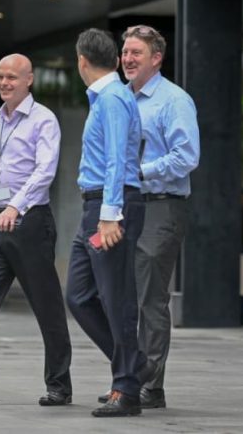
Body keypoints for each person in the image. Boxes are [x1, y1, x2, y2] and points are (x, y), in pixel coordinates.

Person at [65, 28, 148, 417]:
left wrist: (110, 215)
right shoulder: (109, 97)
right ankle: (131, 364)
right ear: (114, 60)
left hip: (109, 206)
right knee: (79, 295)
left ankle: (127, 387)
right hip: (95, 207)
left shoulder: (112, 98)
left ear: (82, 60)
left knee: (116, 299)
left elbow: (118, 159)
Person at [0, 53, 72, 406]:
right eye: (0, 76)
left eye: (12, 77)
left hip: (29, 223)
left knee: (47, 307)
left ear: (29, 80)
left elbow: (44, 172)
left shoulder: (43, 120)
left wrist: (14, 206)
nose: (5, 82)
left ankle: (59, 385)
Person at [120, 24, 200, 407]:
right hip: (122, 207)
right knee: (121, 296)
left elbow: (187, 157)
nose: (128, 59)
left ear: (156, 58)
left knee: (150, 298)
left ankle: (147, 385)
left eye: (136, 52)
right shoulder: (120, 98)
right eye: (125, 52)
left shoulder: (174, 100)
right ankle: (135, 379)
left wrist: (141, 172)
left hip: (161, 205)